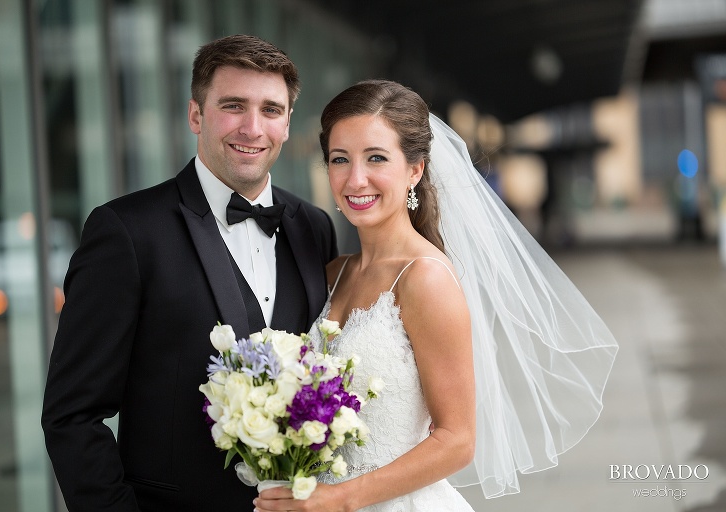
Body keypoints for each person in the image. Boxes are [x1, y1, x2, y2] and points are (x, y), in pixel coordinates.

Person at [255, 80, 618, 511]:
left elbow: (457, 440)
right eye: (340, 159)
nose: (355, 178)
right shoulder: (334, 273)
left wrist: (343, 498)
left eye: (376, 158)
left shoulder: (425, 278)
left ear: (415, 170)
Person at [41, 34, 338, 512]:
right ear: (196, 115)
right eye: (233, 106)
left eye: (270, 110)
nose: (252, 128)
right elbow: (73, 414)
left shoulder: (314, 228)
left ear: (287, 123)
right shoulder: (126, 231)